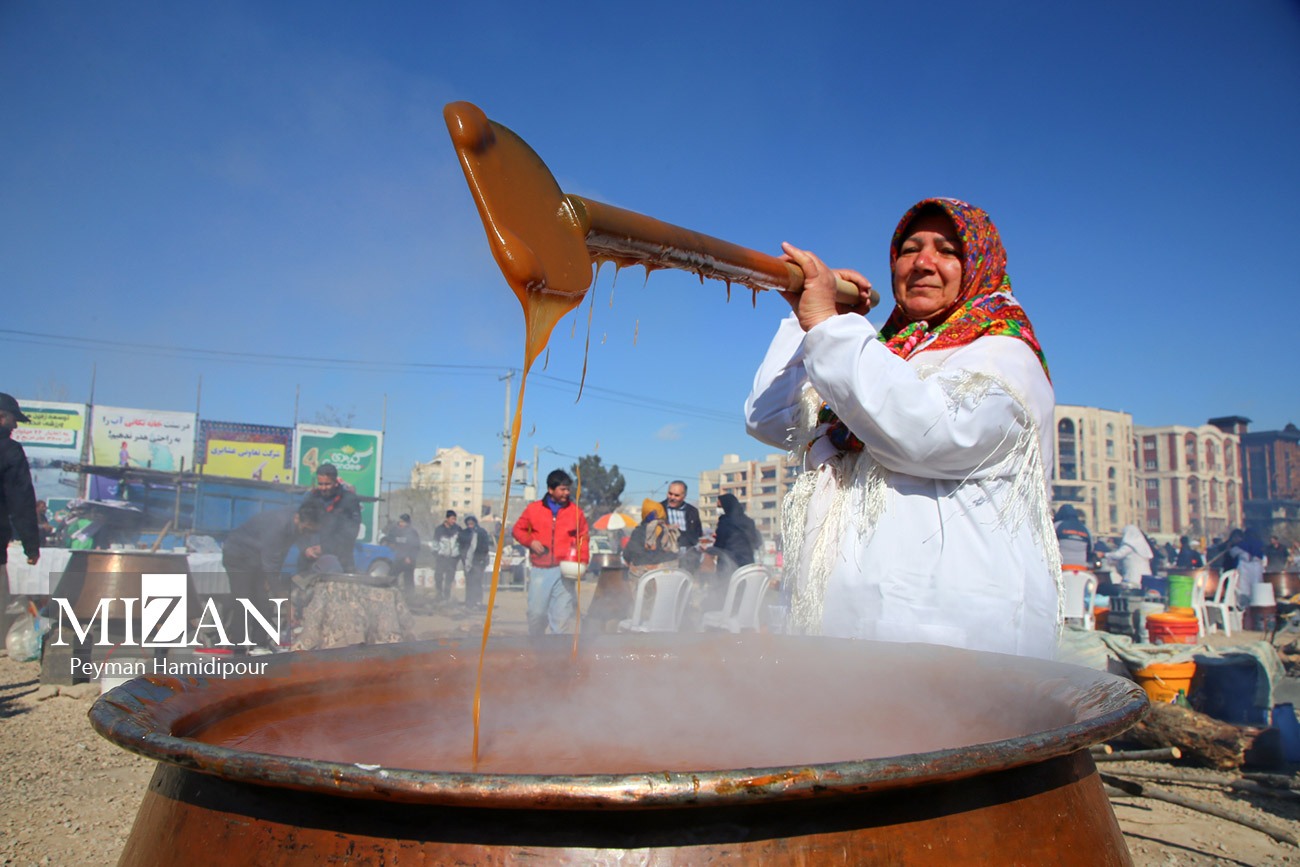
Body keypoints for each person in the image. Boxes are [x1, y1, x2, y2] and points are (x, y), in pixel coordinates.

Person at [745, 198, 1059, 658]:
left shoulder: (1003, 355)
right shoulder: (883, 354)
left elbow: (922, 431)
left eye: (947, 250)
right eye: (910, 249)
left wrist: (828, 326)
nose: (924, 263)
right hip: (853, 633)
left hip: (952, 639)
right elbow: (771, 417)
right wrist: (810, 322)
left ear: (980, 264)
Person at [221, 500, 324, 648]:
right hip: (238, 556)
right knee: (245, 601)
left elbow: (281, 553)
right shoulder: (278, 526)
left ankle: (260, 646)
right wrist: (287, 605)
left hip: (259, 559)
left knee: (263, 603)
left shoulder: (298, 523)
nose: (308, 534)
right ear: (297, 519)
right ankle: (237, 649)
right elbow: (271, 565)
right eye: (307, 530)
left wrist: (270, 581)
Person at [511, 469, 590, 637]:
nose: (567, 493)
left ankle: (556, 656)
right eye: (562, 489)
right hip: (541, 570)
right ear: (550, 489)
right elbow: (518, 530)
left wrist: (582, 561)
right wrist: (530, 541)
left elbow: (583, 537)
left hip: (565, 571)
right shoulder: (533, 509)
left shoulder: (576, 512)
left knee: (561, 617)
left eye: (568, 489)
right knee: (536, 613)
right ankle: (536, 641)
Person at [1, 394, 40, 630]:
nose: (15, 426)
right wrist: (31, 545)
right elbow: (21, 501)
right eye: (13, 420)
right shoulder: (9, 451)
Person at [302, 463, 361, 572]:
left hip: (340, 561)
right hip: (311, 560)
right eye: (320, 484)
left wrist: (325, 547)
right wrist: (306, 548)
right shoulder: (311, 498)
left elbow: (351, 532)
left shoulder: (349, 500)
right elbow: (302, 526)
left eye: (327, 484)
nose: (323, 488)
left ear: (335, 482)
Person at [622, 499, 681, 575]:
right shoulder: (672, 531)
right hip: (668, 578)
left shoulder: (639, 532)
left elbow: (627, 555)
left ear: (645, 514)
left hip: (644, 580)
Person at [712, 493, 761, 580]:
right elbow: (756, 543)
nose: (718, 510)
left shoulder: (725, 522)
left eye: (720, 507)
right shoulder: (749, 521)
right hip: (747, 567)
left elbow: (720, 544)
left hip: (728, 567)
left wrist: (708, 550)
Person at [661, 481, 703, 573]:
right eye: (670, 493)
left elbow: (697, 535)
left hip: (688, 561)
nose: (672, 498)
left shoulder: (693, 511)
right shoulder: (658, 508)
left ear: (684, 496)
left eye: (676, 495)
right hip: (665, 560)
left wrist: (678, 532)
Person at [1103, 525, 1154, 590]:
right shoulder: (1141, 544)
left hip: (1133, 574)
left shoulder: (1129, 545)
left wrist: (1105, 554)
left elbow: (1118, 555)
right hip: (1146, 574)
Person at [458, 514, 492, 610]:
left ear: (475, 523)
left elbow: (485, 547)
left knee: (477, 582)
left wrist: (483, 559)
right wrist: (463, 558)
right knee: (469, 582)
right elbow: (461, 547)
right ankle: (469, 602)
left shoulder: (481, 532)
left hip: (478, 561)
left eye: (472, 522)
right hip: (468, 561)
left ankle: (477, 602)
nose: (470, 524)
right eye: (468, 523)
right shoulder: (464, 533)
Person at [382, 513, 421, 590]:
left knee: (408, 579)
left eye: (403, 522)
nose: (401, 523)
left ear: (407, 523)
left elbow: (416, 546)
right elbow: (389, 540)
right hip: (398, 558)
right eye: (400, 521)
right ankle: (392, 590)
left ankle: (410, 596)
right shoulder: (394, 530)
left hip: (409, 560)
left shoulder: (412, 532)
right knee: (392, 575)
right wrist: (390, 544)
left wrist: (410, 557)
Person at [1229, 528, 1266, 606]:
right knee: (1255, 590)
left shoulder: (1239, 547)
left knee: (1244, 591)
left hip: (1244, 570)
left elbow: (1232, 554)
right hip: (1256, 569)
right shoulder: (1259, 545)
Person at [432, 510, 461, 602]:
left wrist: (458, 555)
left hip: (453, 558)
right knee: (439, 575)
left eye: (455, 519)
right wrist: (436, 553)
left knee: (450, 578)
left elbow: (461, 542)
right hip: (441, 557)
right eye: (452, 519)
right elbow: (435, 543)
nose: (454, 521)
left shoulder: (457, 529)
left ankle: (447, 595)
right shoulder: (439, 529)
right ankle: (439, 593)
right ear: (447, 518)